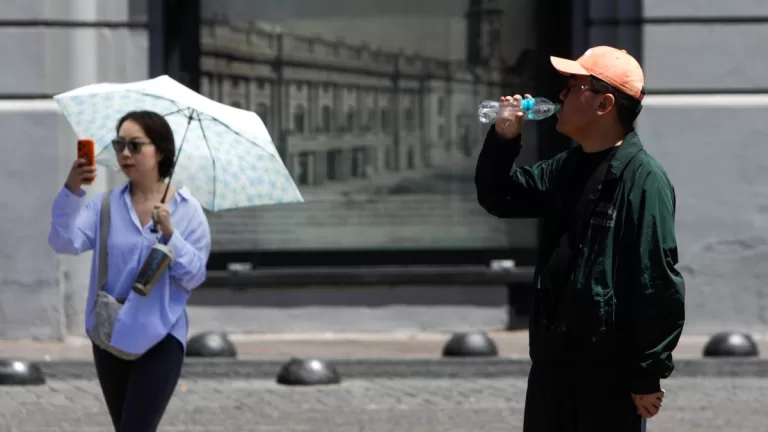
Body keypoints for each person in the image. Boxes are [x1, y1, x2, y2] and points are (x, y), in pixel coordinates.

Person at [475, 46, 685, 431]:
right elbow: (500, 196)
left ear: (605, 104)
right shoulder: (567, 167)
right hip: (553, 364)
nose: (561, 95)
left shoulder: (643, 180)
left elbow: (656, 281)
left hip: (606, 376)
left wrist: (647, 374)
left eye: (573, 86)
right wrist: (504, 138)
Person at [48, 110, 212, 431]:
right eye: (119, 144)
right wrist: (71, 190)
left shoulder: (187, 211)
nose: (125, 153)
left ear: (161, 151)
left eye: (135, 145)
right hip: (111, 332)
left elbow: (193, 276)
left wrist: (170, 235)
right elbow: (63, 241)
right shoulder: (104, 206)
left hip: (162, 334)